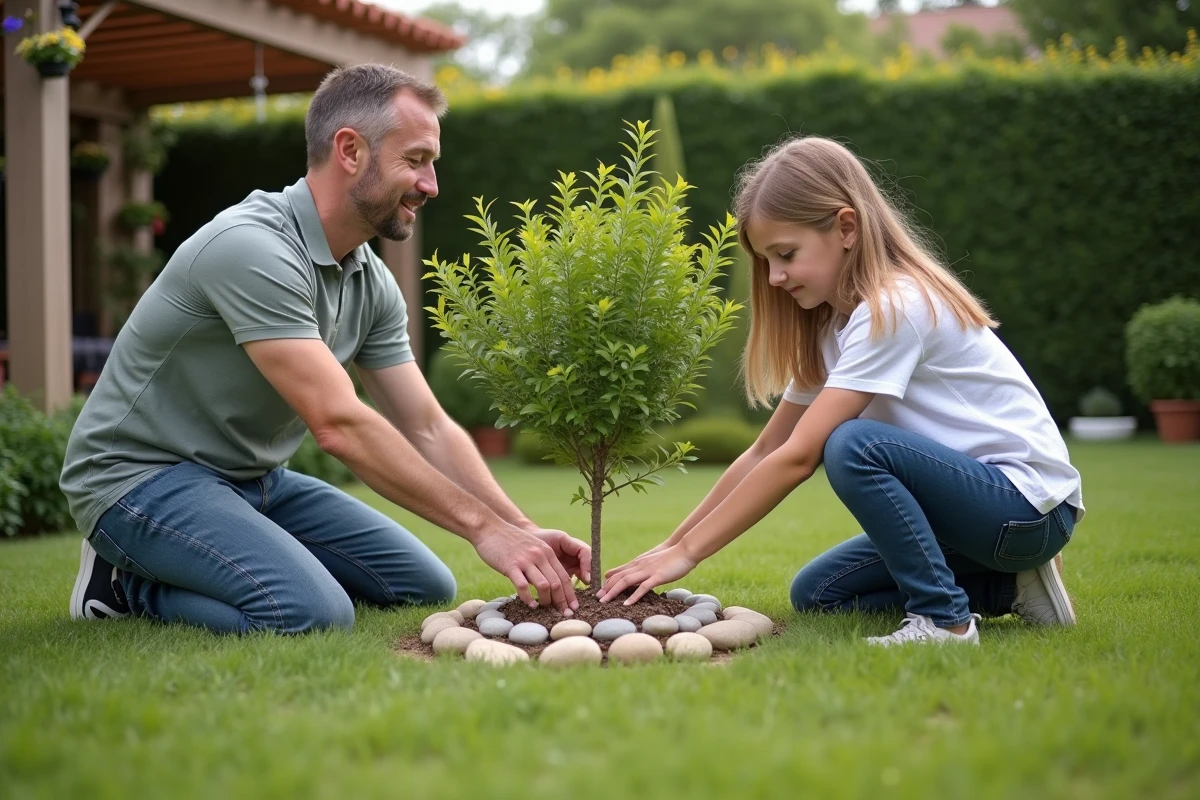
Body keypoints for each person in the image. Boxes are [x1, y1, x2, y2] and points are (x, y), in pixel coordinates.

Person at [62, 64, 589, 634]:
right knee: (309, 612)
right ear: (350, 150)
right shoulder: (251, 248)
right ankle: (122, 585)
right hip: (139, 480)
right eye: (415, 160)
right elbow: (338, 423)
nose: (432, 184)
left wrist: (518, 526)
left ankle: (230, 551)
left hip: (252, 480)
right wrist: (482, 529)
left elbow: (427, 425)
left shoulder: (368, 279)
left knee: (422, 583)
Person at [599, 136, 1081, 646]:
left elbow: (799, 457)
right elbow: (766, 449)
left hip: (1026, 510)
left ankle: (944, 622)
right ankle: (1012, 589)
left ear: (846, 228)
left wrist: (690, 553)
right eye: (765, 261)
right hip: (972, 520)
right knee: (820, 592)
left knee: (852, 445)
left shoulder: (895, 307)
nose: (776, 276)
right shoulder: (832, 327)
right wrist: (671, 545)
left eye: (785, 254)